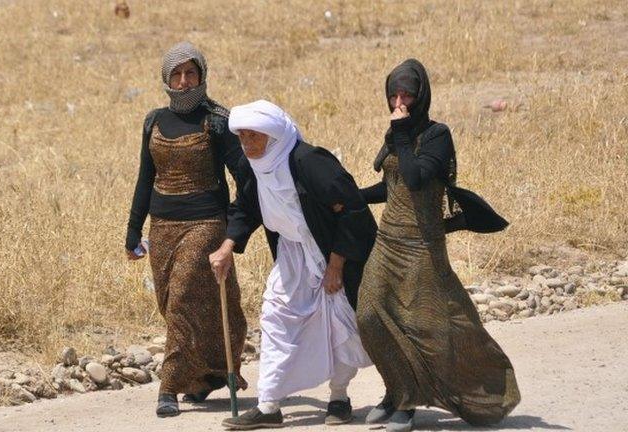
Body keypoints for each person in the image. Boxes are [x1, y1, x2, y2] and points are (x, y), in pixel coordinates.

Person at [356, 59, 521, 432]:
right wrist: (351, 196)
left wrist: (400, 132)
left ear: (421, 96)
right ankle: (396, 388)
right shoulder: (396, 133)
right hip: (388, 241)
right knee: (369, 315)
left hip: (421, 247)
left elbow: (415, 179)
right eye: (393, 95)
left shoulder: (436, 136)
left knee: (421, 325)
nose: (399, 102)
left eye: (407, 95)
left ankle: (408, 402)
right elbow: (394, 187)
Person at [209, 100, 376, 429]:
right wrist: (228, 246)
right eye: (241, 137)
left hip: (331, 252)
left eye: (253, 137)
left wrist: (336, 266)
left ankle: (339, 398)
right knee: (275, 315)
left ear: (272, 136)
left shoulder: (309, 162)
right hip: (292, 253)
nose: (246, 144)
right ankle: (269, 405)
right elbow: (246, 206)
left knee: (340, 323)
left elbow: (354, 211)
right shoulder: (252, 166)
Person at [125, 41, 248, 418]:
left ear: (202, 76)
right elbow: (146, 179)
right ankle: (205, 377)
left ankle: (170, 388)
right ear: (166, 79)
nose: (183, 81)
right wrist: (132, 232)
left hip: (205, 224)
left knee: (180, 299)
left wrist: (234, 229)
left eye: (190, 73)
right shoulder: (154, 121)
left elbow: (244, 177)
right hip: (161, 228)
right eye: (176, 75)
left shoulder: (218, 121)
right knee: (172, 304)